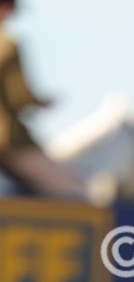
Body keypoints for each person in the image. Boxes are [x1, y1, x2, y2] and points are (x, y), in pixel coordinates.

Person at [0, 0, 85, 198]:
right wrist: (40, 102)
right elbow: (19, 97)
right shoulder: (8, 44)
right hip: (7, 141)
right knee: (75, 193)